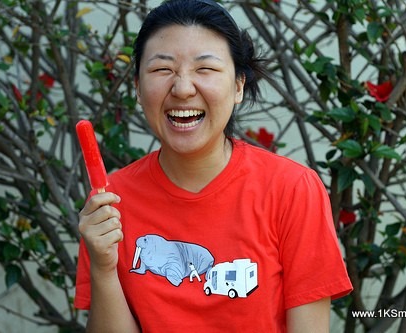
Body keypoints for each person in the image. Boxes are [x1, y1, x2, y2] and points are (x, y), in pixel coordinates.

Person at [74, 0, 352, 332]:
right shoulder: (111, 201)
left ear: (238, 86)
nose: (182, 88)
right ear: (137, 87)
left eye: (204, 69)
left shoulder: (292, 189)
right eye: (162, 70)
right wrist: (104, 270)